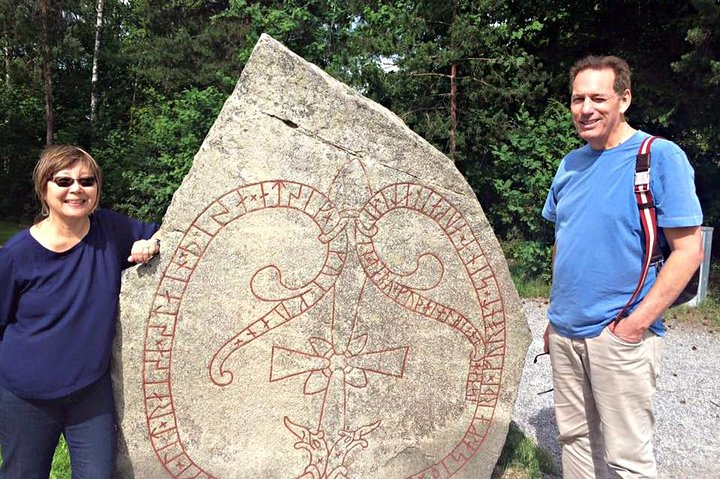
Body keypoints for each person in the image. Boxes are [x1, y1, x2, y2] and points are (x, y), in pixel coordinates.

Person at [541, 55, 704, 478]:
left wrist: (636, 324)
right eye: (578, 99)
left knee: (628, 458)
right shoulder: (569, 165)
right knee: (574, 442)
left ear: (624, 99)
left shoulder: (658, 156)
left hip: (619, 332)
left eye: (598, 97)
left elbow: (689, 251)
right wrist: (552, 318)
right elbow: (564, 241)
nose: (586, 109)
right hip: (565, 332)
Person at [0, 145, 160, 478]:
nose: (76, 189)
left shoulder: (110, 231)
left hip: (90, 394)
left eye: (87, 181)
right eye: (63, 181)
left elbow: (163, 231)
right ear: (44, 188)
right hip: (27, 395)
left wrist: (149, 242)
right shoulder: (17, 254)